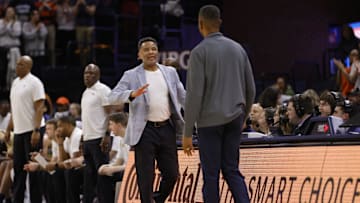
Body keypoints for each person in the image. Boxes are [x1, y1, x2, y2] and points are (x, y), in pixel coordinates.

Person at [182, 5, 255, 203]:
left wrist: (187, 132)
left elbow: (194, 95)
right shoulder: (238, 48)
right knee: (232, 170)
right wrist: (244, 115)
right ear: (220, 22)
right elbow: (251, 89)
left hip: (209, 123)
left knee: (211, 176)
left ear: (200, 24)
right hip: (235, 118)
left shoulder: (199, 52)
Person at [108, 36, 186, 203]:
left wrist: (198, 111)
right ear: (139, 54)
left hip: (167, 128)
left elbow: (183, 97)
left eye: (153, 49)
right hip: (144, 131)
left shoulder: (170, 72)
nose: (151, 52)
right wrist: (131, 94)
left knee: (172, 175)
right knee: (145, 179)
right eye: (146, 49)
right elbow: (112, 97)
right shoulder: (131, 75)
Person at [5, 55, 45, 203]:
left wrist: (36, 130)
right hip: (19, 133)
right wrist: (9, 129)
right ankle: (18, 200)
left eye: (21, 64)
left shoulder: (35, 82)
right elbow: (14, 110)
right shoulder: (15, 83)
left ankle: (36, 200)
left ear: (29, 66)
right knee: (18, 169)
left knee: (35, 168)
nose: (17, 67)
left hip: (33, 131)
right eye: (17, 64)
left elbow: (40, 108)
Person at [81, 63, 114, 203]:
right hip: (88, 139)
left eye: (91, 73)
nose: (88, 76)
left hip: (99, 139)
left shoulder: (103, 90)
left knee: (102, 178)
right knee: (88, 177)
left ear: (98, 75)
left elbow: (111, 113)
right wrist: (83, 137)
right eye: (86, 73)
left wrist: (107, 135)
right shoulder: (85, 92)